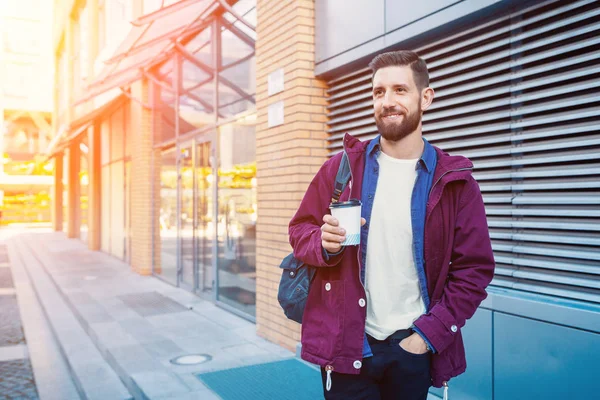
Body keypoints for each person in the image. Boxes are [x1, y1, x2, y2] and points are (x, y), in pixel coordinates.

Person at [288, 50, 495, 399]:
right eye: (378, 91)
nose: (387, 101)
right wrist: (323, 243)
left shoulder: (455, 181)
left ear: (425, 97)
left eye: (400, 90)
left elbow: (474, 270)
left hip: (412, 348)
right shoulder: (342, 167)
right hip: (350, 349)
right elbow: (299, 231)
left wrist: (427, 336)